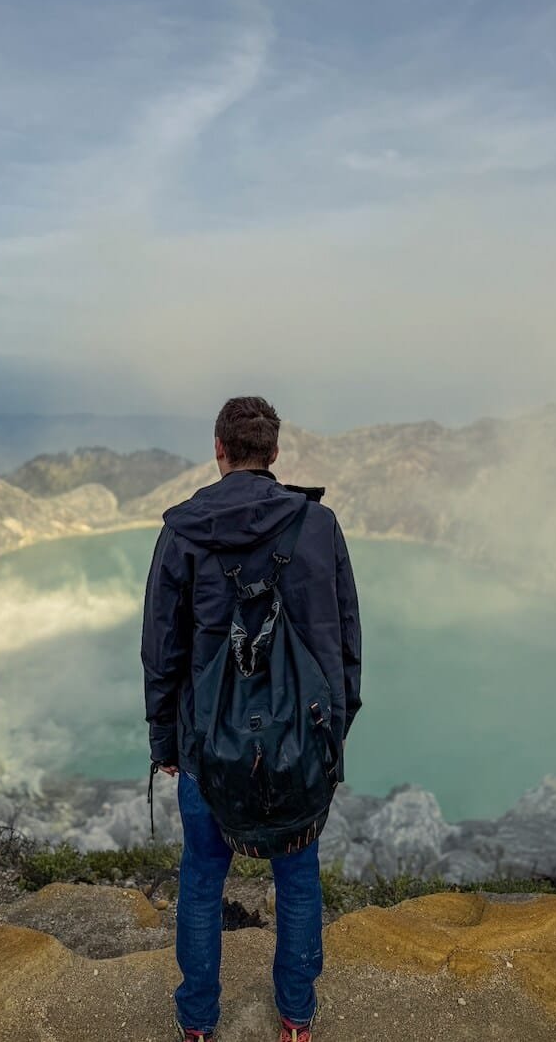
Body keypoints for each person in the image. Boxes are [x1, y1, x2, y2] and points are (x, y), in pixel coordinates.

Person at [141, 395, 362, 1042]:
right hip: (298, 747)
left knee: (203, 879)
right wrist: (329, 733)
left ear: (218, 450)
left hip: (205, 746)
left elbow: (162, 650)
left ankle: (197, 1022)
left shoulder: (182, 533)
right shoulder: (318, 527)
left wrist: (166, 740)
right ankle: (295, 1017)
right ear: (274, 454)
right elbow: (345, 641)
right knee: (296, 878)